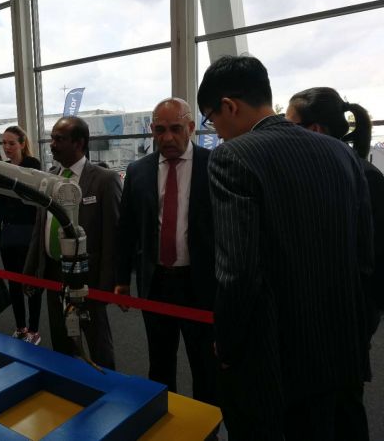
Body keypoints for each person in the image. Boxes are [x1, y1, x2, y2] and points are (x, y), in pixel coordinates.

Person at [198, 55, 373, 440]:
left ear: (229, 106)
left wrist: (226, 344)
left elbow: (238, 272)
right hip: (338, 350)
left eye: (211, 119)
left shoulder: (233, 156)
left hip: (272, 359)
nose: (217, 133)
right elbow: (364, 257)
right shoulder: (341, 153)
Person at [114, 98, 217, 403]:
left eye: (175, 129)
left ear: (191, 127)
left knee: (205, 365)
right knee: (159, 362)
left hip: (201, 283)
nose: (167, 137)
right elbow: (127, 229)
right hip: (156, 281)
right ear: (152, 130)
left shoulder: (214, 165)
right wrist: (122, 279)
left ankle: (206, 425)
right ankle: (164, 418)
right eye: (160, 130)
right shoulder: (138, 171)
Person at [286, 86, 384, 371]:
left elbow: (375, 260)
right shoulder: (309, 174)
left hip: (345, 317)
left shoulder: (365, 178)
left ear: (314, 130)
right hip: (309, 314)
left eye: (289, 126)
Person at [23, 116, 121, 369]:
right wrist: (31, 269)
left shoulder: (104, 180)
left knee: (97, 342)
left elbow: (113, 237)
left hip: (87, 276)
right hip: (53, 272)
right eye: (52, 138)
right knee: (61, 340)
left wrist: (108, 284)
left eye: (59, 139)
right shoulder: (49, 178)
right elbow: (39, 228)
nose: (52, 144)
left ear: (79, 143)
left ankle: (106, 386)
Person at [0, 126, 43, 344]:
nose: (7, 147)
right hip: (7, 232)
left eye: (11, 143)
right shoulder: (4, 166)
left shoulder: (32, 165)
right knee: (14, 282)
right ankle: (21, 326)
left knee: (32, 282)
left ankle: (34, 329)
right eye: (4, 143)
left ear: (22, 144)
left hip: (29, 231)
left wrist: (3, 174)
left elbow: (26, 196)